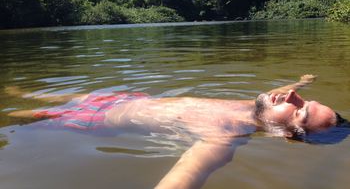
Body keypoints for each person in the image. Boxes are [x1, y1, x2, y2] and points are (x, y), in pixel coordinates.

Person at [5, 75, 349, 189]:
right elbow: (288, 90)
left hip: (95, 119)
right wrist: (304, 81)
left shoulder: (223, 138)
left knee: (17, 116)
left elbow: (179, 181)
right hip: (125, 99)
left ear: (286, 134)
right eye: (302, 97)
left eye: (300, 109)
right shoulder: (257, 106)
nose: (291, 96)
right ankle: (13, 89)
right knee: (28, 95)